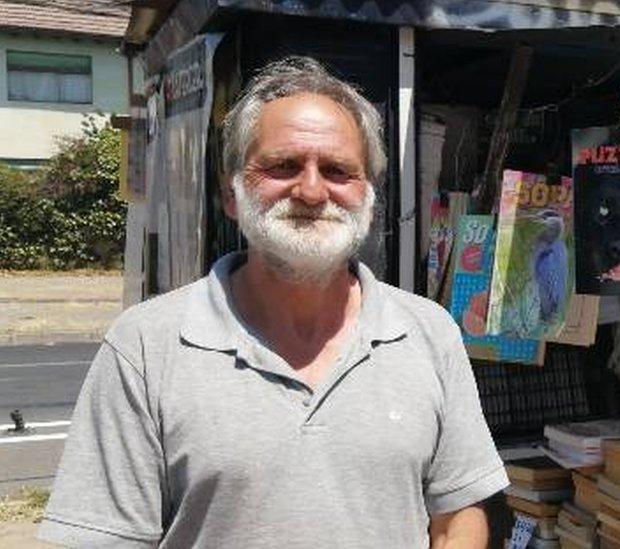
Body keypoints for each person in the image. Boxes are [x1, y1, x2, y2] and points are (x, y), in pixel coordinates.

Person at [38, 56, 508, 548]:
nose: (310, 189)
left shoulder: (428, 332)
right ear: (230, 193)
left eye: (337, 170)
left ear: (368, 194)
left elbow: (458, 519)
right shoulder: (145, 346)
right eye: (283, 166)